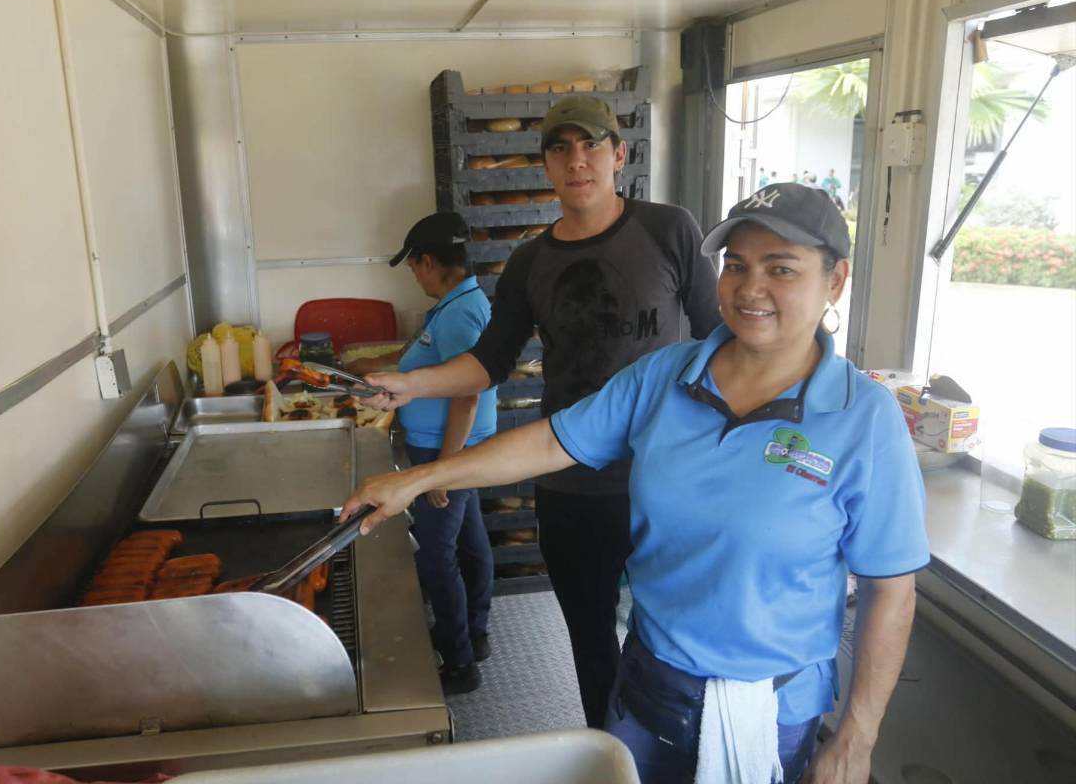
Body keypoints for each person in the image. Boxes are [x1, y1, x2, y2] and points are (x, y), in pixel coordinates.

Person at [345, 183, 928, 783]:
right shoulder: (667, 376)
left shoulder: (864, 418)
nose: (750, 288)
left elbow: (891, 590)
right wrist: (418, 479)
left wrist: (857, 736)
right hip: (650, 684)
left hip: (770, 710)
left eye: (781, 269)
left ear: (835, 282)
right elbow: (550, 442)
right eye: (736, 265)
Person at [362, 94, 721, 728]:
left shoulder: (670, 230)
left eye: (590, 145)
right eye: (560, 148)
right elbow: (489, 362)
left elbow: (718, 339)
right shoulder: (531, 261)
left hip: (663, 481)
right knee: (590, 640)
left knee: (675, 637)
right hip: (570, 481)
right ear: (546, 165)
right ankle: (608, 750)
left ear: (619, 154)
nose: (576, 160)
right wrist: (411, 385)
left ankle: (672, 749)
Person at [350, 211, 497, 695]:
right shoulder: (455, 304)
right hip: (448, 449)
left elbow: (467, 393)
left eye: (414, 266)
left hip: (447, 451)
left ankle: (459, 662)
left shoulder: (459, 314)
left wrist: (442, 472)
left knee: (436, 555)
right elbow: (426, 364)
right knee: (469, 542)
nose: (414, 276)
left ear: (429, 262)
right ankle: (473, 634)